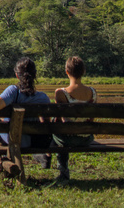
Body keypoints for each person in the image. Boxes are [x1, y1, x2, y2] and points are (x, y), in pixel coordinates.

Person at [0, 57, 52, 165]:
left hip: (15, 140)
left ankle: (6, 157)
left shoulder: (14, 91)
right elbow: (46, 123)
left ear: (17, 75)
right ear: (35, 75)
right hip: (33, 141)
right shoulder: (43, 97)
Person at [50, 56, 97, 185]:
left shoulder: (60, 93)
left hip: (66, 139)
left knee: (56, 122)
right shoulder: (92, 92)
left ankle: (63, 169)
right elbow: (91, 119)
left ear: (67, 72)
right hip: (86, 138)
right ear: (83, 72)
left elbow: (59, 120)